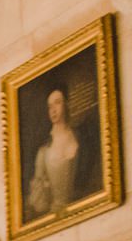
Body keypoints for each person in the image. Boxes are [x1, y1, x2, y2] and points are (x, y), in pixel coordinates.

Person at [27, 85, 94, 221]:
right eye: (49, 106)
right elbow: (38, 203)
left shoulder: (82, 139)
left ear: (67, 104)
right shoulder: (44, 151)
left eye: (57, 103)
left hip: (86, 210)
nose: (53, 110)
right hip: (56, 217)